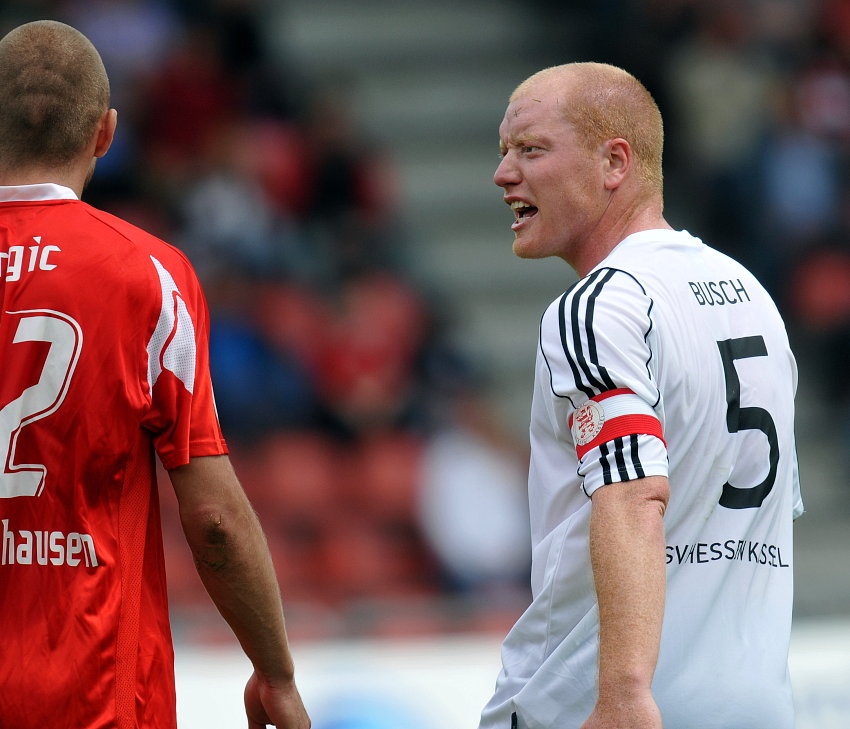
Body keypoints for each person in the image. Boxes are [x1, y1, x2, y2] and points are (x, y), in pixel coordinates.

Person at [0, 20, 309, 729]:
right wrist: (275, 671)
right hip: (94, 696)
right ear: (105, 134)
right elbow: (214, 520)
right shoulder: (146, 275)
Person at [479, 62, 803, 729]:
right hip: (755, 706)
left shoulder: (598, 306)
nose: (503, 173)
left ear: (614, 162)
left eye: (531, 150)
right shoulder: (751, 297)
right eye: (504, 151)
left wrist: (624, 691)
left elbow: (633, 494)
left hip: (600, 707)